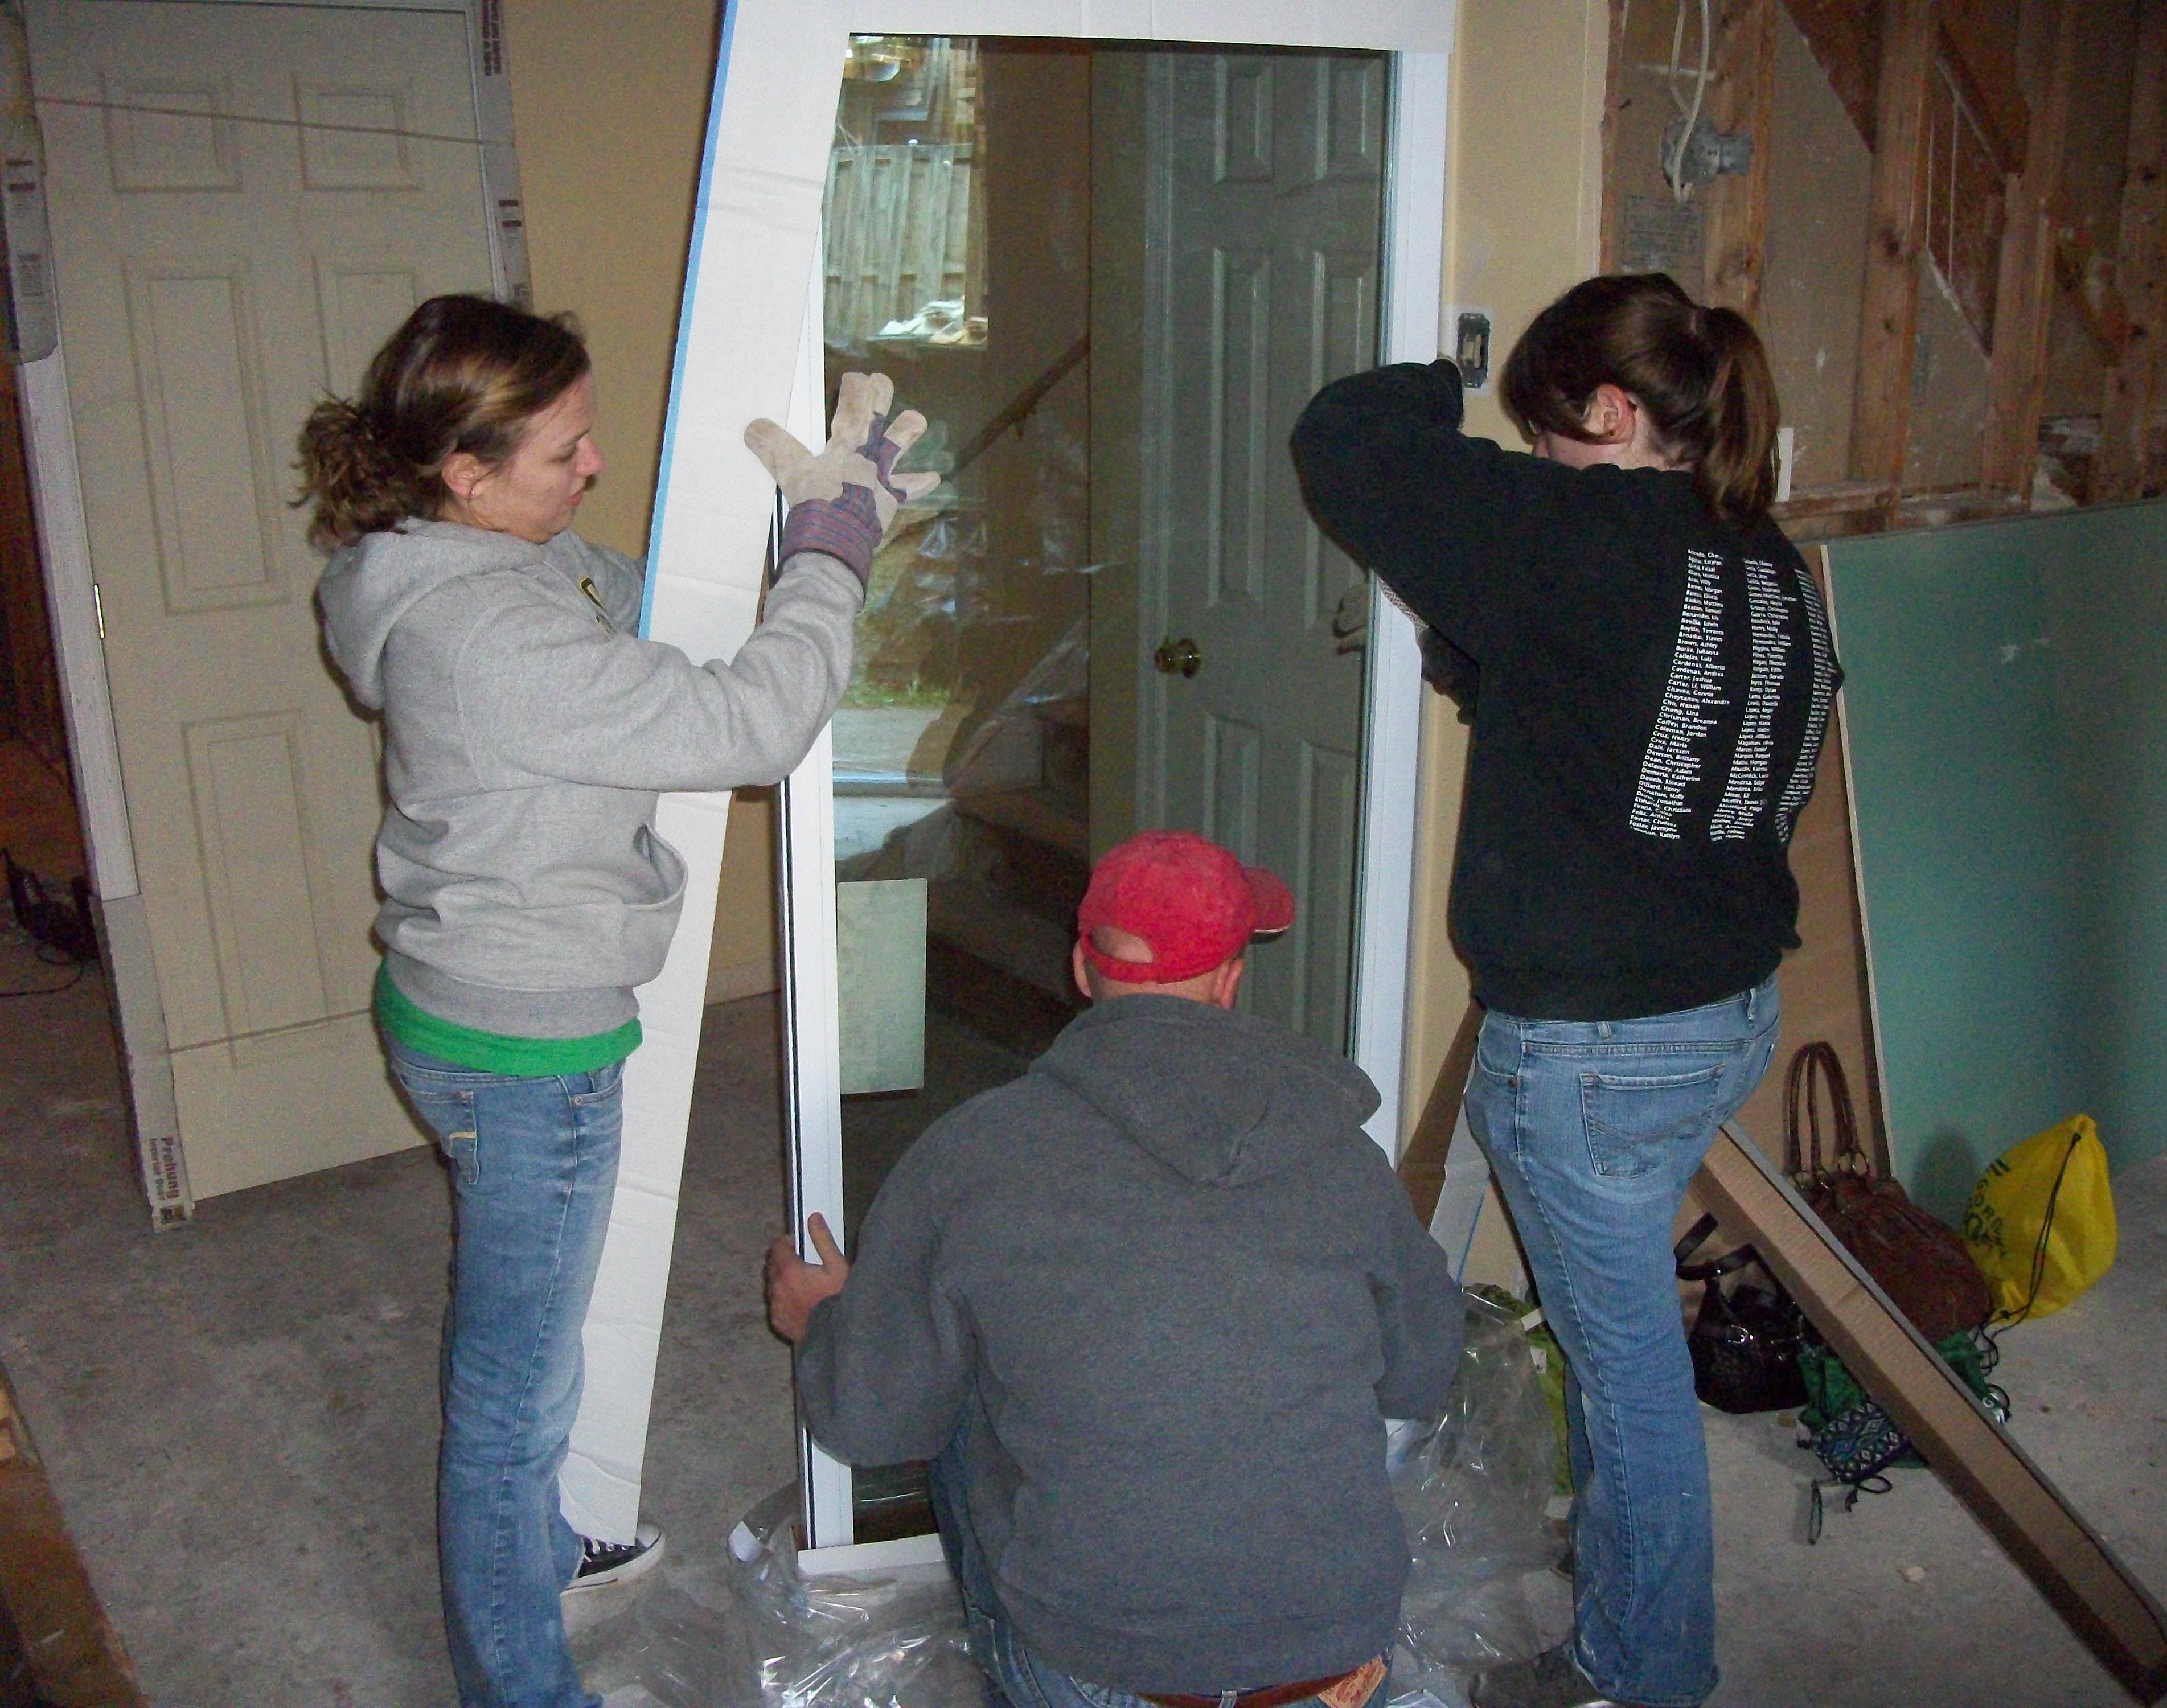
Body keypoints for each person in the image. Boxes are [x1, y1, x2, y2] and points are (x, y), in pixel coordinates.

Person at [303, 293, 934, 1708]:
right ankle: (522, 1683)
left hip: (472, 1002)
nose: (591, 469)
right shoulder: (487, 639)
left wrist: (792, 523)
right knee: (512, 1402)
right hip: (522, 1045)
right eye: (564, 452)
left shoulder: (450, 561)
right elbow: (756, 726)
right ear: (465, 473)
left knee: (521, 1352)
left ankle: (535, 1553)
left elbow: (633, 601)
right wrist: (835, 552)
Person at [1289, 273, 1842, 1708]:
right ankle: (1625, 1624)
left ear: (1607, 411)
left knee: (1627, 1385)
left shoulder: (1583, 534)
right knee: (1619, 1354)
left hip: (1595, 1052)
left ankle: (1640, 1675)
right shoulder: (1764, 561)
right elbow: (1625, 715)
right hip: (1720, 1016)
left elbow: (1342, 439)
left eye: (1549, 436)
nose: (1537, 467)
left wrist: (1442, 380)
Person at [765, 829, 1464, 1708]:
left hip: (1097, 1666)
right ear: (1231, 978)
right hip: (1336, 1661)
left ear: (1082, 971)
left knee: (954, 1385)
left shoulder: (973, 1154)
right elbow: (1421, 1375)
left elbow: (874, 1425)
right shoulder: (1341, 1154)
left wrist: (828, 1324)